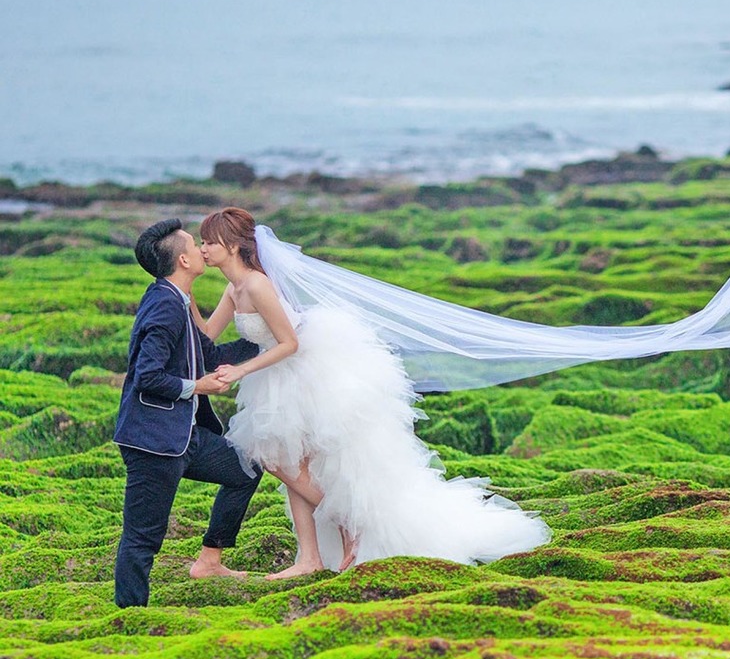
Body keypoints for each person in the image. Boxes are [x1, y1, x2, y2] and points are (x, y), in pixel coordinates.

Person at [194, 208, 552, 579]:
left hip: (304, 369)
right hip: (273, 376)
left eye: (209, 241)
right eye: (201, 242)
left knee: (282, 461)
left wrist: (240, 370)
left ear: (233, 245)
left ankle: (351, 523)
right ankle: (310, 558)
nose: (203, 249)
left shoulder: (256, 284)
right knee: (290, 462)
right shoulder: (232, 289)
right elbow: (206, 335)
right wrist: (182, 290)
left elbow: (291, 343)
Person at [112, 219, 263, 608]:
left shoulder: (175, 298)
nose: (202, 250)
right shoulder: (164, 305)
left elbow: (209, 356)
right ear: (183, 259)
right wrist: (198, 387)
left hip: (184, 436)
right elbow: (147, 376)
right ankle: (130, 618)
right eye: (195, 246)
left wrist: (267, 339)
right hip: (153, 443)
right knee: (143, 536)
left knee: (246, 469)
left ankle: (210, 559)